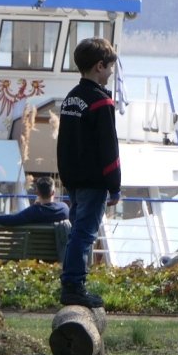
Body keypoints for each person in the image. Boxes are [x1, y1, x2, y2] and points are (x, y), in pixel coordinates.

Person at [55, 37, 122, 308]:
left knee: (76, 233)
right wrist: (114, 185)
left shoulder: (71, 98)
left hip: (73, 181)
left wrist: (67, 179)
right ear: (99, 66)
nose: (110, 73)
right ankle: (74, 285)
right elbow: (109, 147)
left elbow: (64, 144)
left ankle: (73, 283)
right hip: (94, 181)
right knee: (84, 234)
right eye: (109, 68)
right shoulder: (100, 102)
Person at [0, 176, 69, 226]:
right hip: (57, 255)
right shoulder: (64, 208)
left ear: (37, 192)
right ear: (53, 193)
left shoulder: (34, 212)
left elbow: (10, 220)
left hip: (32, 256)